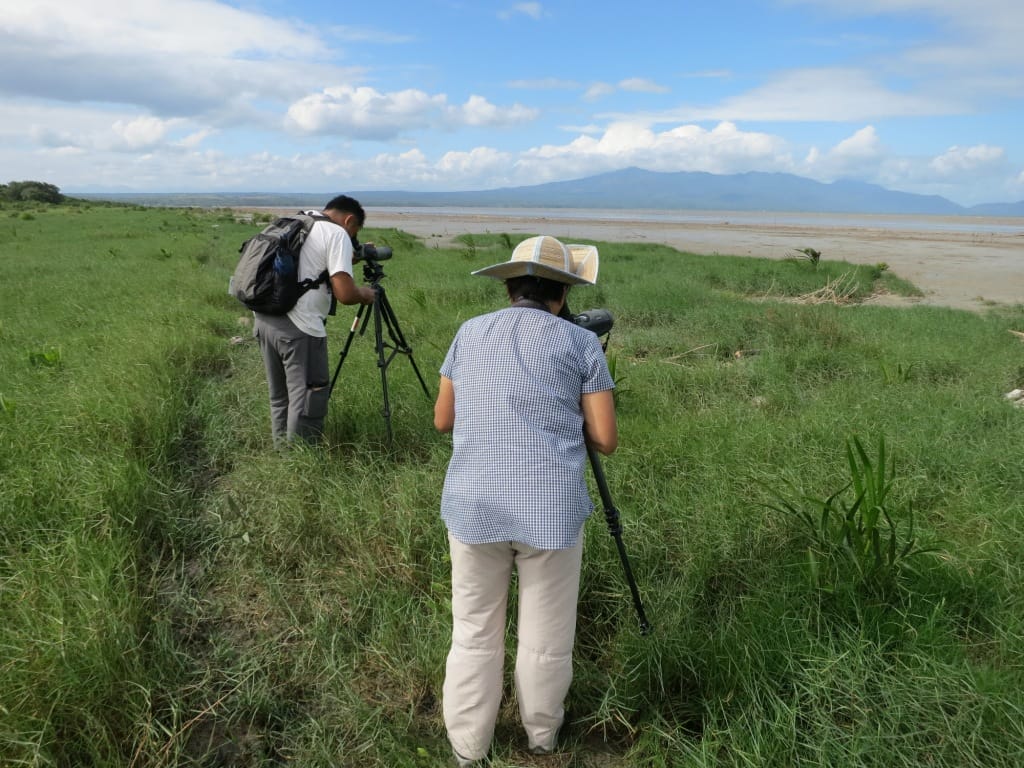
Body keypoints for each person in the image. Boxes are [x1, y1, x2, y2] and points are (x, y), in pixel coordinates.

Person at [433, 235, 618, 765]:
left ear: (510, 287)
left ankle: (469, 749)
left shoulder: (469, 333)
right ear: (562, 293)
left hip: (474, 504)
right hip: (551, 511)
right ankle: (542, 739)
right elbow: (604, 438)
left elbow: (443, 420)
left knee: (472, 631)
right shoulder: (581, 345)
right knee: (547, 633)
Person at [253, 195, 376, 444]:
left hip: (265, 319)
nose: (352, 239)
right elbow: (345, 294)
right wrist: (366, 294)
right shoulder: (336, 233)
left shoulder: (298, 221)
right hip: (300, 328)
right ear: (350, 220)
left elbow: (309, 264)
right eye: (354, 232)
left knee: (281, 397)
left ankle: (282, 456)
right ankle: (301, 465)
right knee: (309, 399)